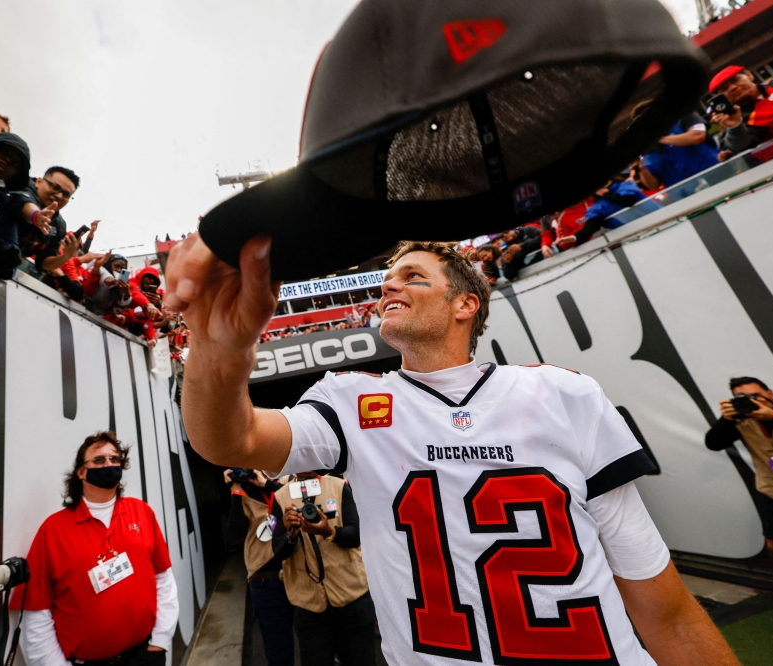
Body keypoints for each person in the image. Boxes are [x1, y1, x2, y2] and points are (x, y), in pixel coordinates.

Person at [164, 234, 739, 665]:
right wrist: (220, 347)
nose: (388, 285)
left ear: (466, 304)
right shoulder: (352, 400)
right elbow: (229, 440)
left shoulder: (563, 393)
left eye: (412, 276)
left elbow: (664, 608)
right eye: (387, 278)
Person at [18, 431, 177, 666]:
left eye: (114, 459)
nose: (109, 464)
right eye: (99, 460)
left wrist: (160, 641)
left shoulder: (141, 512)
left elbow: (163, 578)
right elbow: (36, 610)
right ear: (81, 472)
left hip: (145, 655)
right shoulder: (53, 530)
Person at [269, 471, 375, 666]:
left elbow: (357, 534)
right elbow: (278, 553)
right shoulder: (280, 497)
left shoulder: (339, 486)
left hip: (351, 597)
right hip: (309, 606)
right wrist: (290, 535)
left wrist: (329, 532)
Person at [704, 377, 773, 584]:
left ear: (769, 392)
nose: (752, 400)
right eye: (744, 397)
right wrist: (726, 419)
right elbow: (713, 443)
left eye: (756, 395)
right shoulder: (740, 418)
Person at [224, 468, 295, 666]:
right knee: (278, 651)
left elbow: (299, 499)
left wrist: (267, 484)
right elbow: (235, 531)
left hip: (299, 574)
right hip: (266, 580)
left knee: (314, 645)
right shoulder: (244, 493)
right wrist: (236, 489)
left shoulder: (288, 481)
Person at [1, 166, 84, 277]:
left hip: (4, 265)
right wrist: (36, 216)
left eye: (66, 194)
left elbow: (43, 263)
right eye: (55, 187)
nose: (59, 196)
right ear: (39, 182)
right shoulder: (22, 184)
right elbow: (24, 202)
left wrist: (65, 257)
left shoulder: (59, 226)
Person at [708, 66, 773, 162]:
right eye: (725, 89)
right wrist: (735, 126)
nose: (733, 88)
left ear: (749, 75)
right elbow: (739, 147)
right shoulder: (741, 119)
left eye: (735, 80)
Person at [637, 113, 719, 189]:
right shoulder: (648, 150)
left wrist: (659, 139)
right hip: (686, 195)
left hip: (716, 174)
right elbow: (653, 185)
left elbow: (698, 136)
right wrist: (641, 168)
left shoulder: (684, 117)